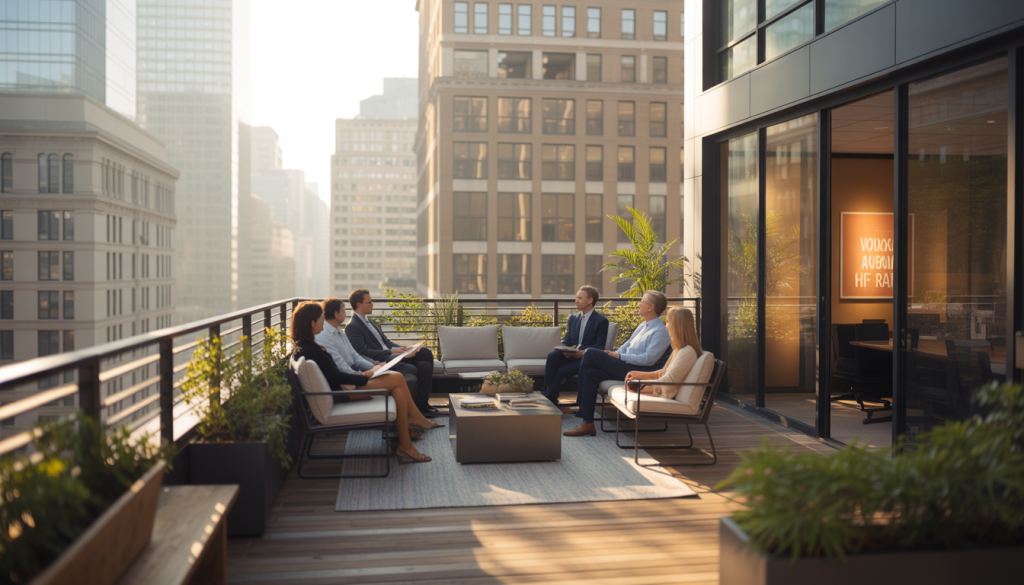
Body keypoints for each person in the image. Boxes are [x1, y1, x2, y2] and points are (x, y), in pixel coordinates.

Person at [290, 301, 440, 463]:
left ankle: (408, 435)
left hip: (340, 388)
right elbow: (337, 377)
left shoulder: (305, 347)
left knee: (396, 380)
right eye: (321, 319)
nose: (323, 322)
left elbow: (338, 371)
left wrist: (370, 371)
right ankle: (409, 436)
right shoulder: (312, 350)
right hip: (342, 391)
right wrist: (365, 376)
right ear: (313, 323)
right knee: (396, 378)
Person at [564, 290, 672, 437]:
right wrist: (613, 355)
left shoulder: (660, 332)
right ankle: (587, 423)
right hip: (625, 364)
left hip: (637, 371)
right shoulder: (642, 326)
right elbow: (626, 345)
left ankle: (581, 404)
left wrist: (619, 356)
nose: (639, 304)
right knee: (590, 374)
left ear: (650, 307)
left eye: (643, 301)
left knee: (590, 352)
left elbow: (649, 360)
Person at [345, 289, 440, 418]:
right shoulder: (352, 327)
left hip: (392, 355)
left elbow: (387, 342)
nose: (372, 304)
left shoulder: (370, 321)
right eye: (369, 302)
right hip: (384, 360)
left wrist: (405, 348)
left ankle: (421, 405)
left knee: (425, 360)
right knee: (421, 361)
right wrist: (391, 352)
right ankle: (418, 409)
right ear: (359, 305)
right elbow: (363, 352)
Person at [542, 285, 609, 409]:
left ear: (590, 300)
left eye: (579, 298)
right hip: (572, 355)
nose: (576, 301)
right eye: (576, 298)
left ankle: (549, 398)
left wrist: (581, 351)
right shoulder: (572, 318)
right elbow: (567, 340)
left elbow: (600, 346)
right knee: (552, 356)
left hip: (587, 358)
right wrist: (565, 350)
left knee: (561, 371)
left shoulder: (601, 321)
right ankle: (547, 387)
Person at [623, 307, 702, 399]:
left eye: (668, 322)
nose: (666, 326)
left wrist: (643, 386)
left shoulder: (687, 352)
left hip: (665, 395)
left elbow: (669, 381)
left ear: (677, 325)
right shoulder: (680, 349)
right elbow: (664, 373)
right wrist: (637, 375)